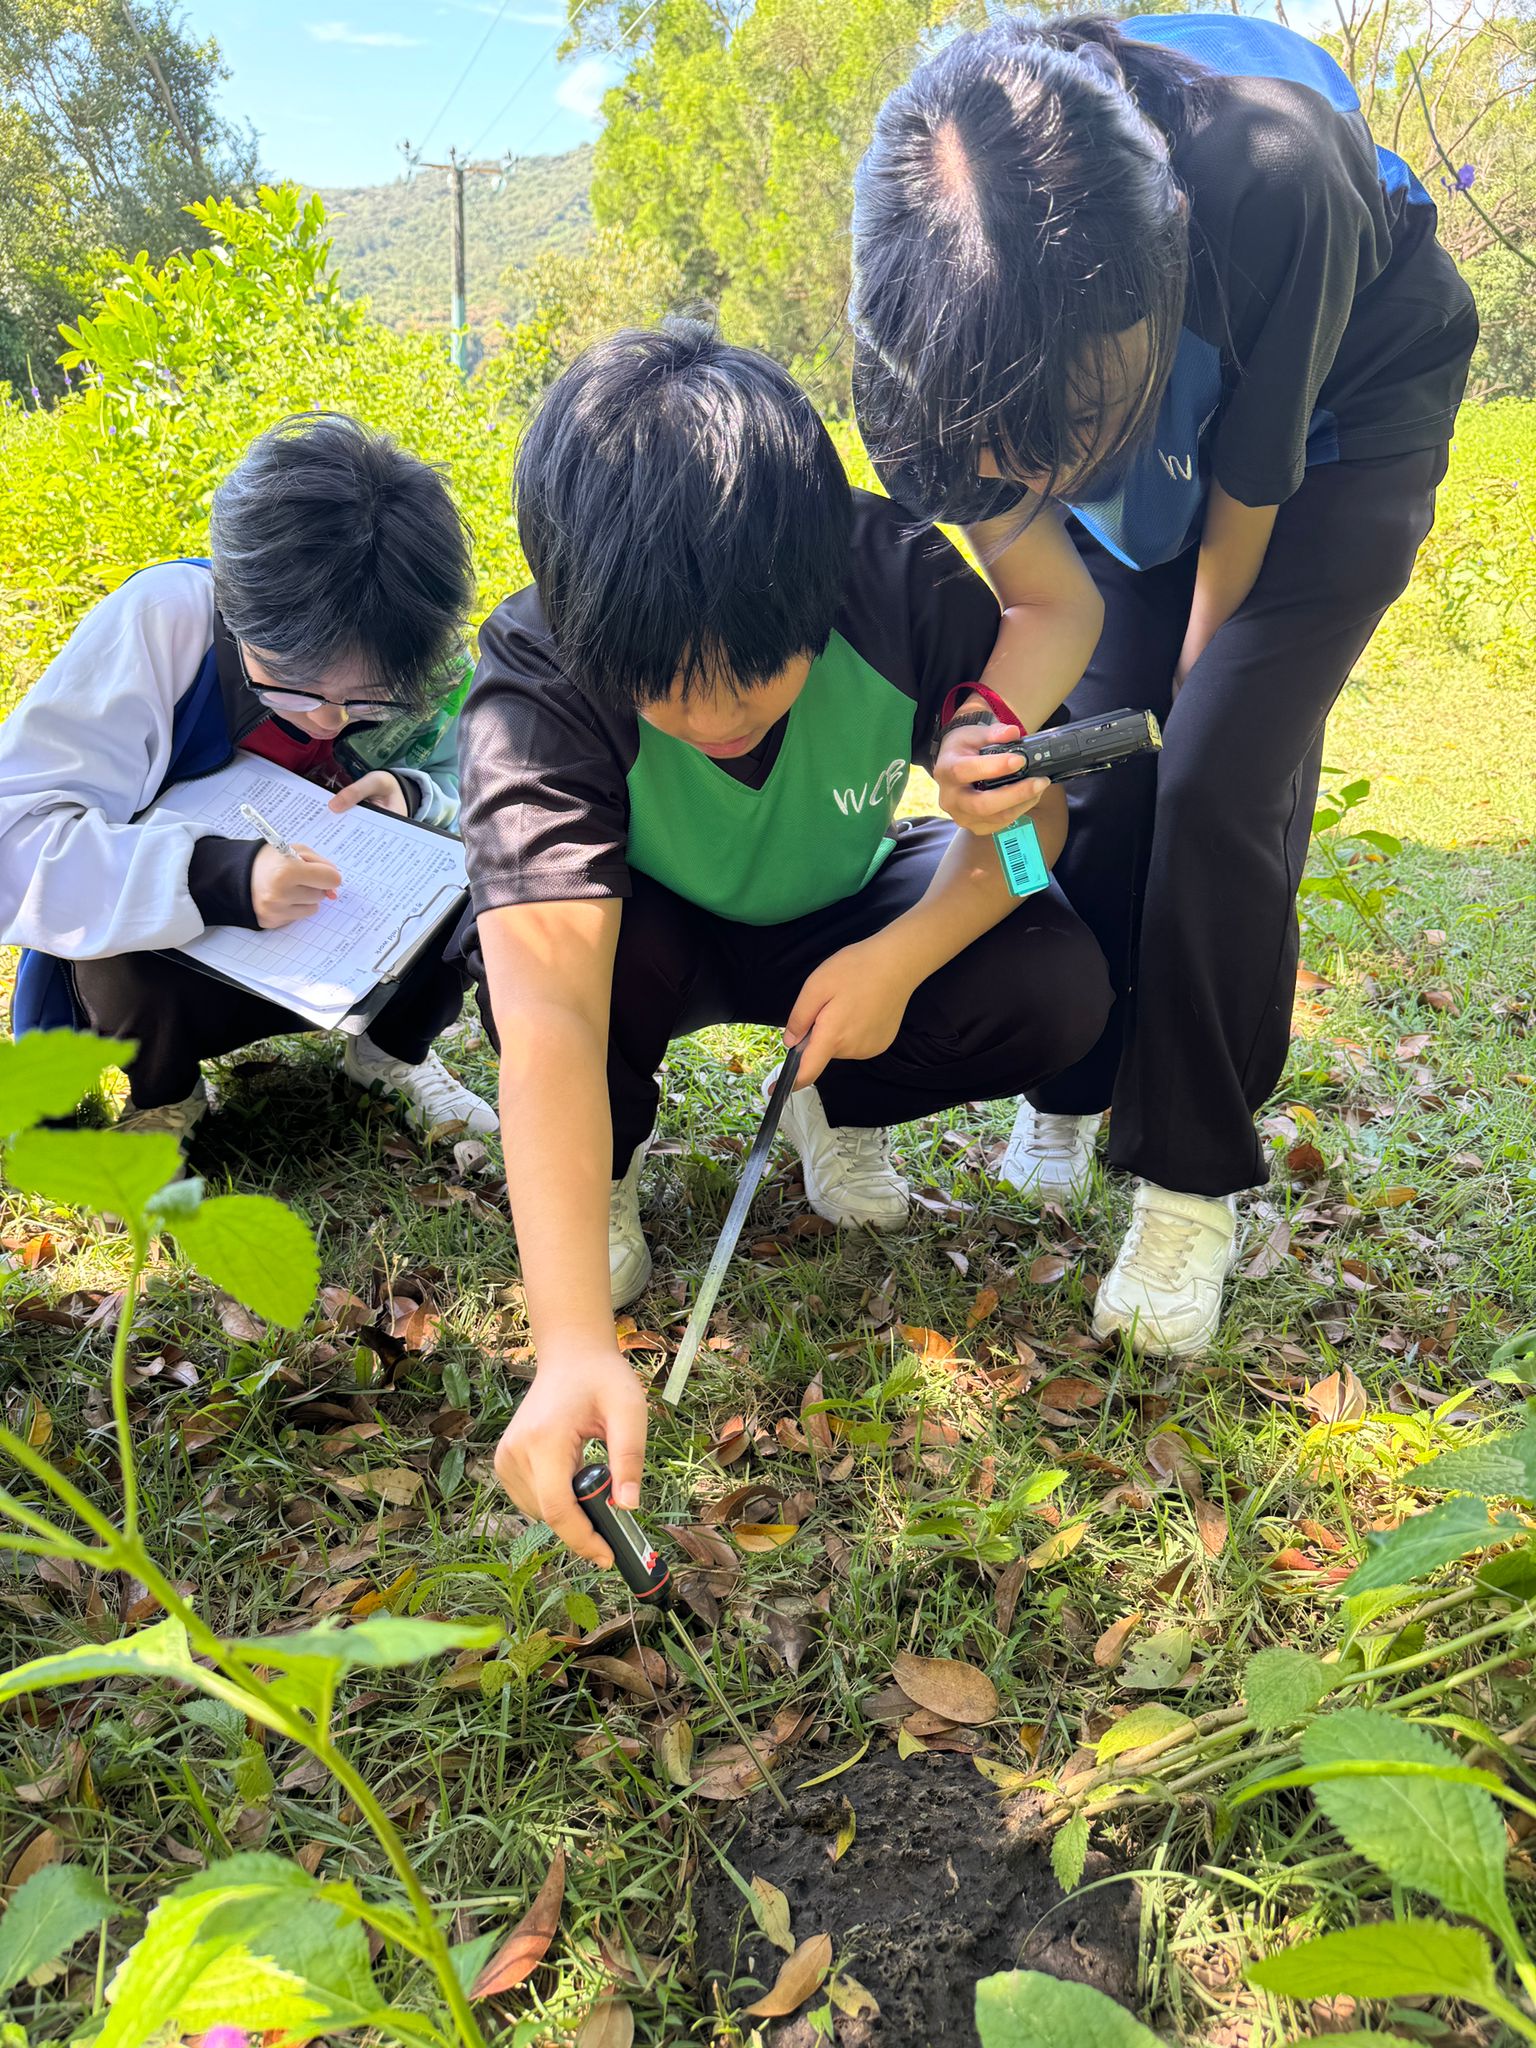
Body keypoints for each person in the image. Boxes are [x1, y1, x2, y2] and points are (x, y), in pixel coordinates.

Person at [849, 11, 1478, 1356]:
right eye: (1012, 451)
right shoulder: (915, 361)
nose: (1039, 474)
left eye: (1061, 432)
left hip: (1343, 418)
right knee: (1089, 764)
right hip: (1137, 410)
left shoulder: (1272, 178)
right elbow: (1050, 597)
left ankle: (1194, 1181)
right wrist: (993, 726)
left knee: (1212, 777)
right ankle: (1071, 1085)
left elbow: (1243, 508)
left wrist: (1196, 703)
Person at [458, 323, 1112, 1564]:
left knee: (1056, 976)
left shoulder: (896, 574)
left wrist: (904, 956)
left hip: (846, 906)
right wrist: (571, 1337)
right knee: (540, 972)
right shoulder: (536, 680)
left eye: (758, 673)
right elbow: (547, 1012)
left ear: (825, 578)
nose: (715, 716)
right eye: (663, 687)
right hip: (648, 931)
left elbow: (1039, 833)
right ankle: (606, 1169)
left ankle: (836, 1103)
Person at [1, 412, 497, 1141]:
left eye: (368, 698)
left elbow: (477, 789)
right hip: (180, 964)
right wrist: (218, 878)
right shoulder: (167, 622)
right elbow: (17, 838)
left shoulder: (422, 652)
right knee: (117, 957)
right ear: (236, 611)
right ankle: (166, 1093)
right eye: (291, 683)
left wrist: (414, 794)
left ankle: (389, 1053)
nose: (328, 720)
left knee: (481, 872)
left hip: (342, 937)